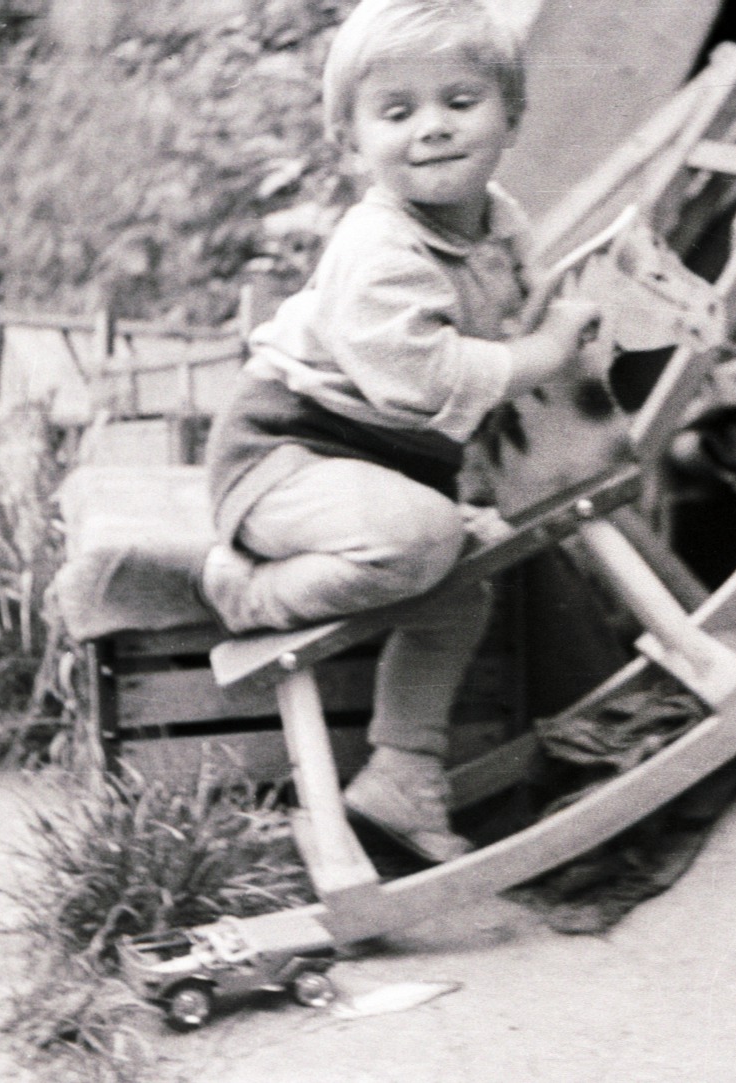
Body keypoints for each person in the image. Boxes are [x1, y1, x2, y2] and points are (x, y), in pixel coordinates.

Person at [201, 0, 598, 863]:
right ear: (351, 142)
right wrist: (539, 352)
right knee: (423, 538)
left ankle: (401, 773)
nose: (433, 129)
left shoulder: (502, 223)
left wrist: (564, 327)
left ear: (512, 116)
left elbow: (524, 318)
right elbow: (423, 377)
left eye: (461, 101)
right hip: (284, 453)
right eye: (397, 111)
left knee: (461, 587)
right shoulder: (377, 249)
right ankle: (248, 590)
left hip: (386, 464)